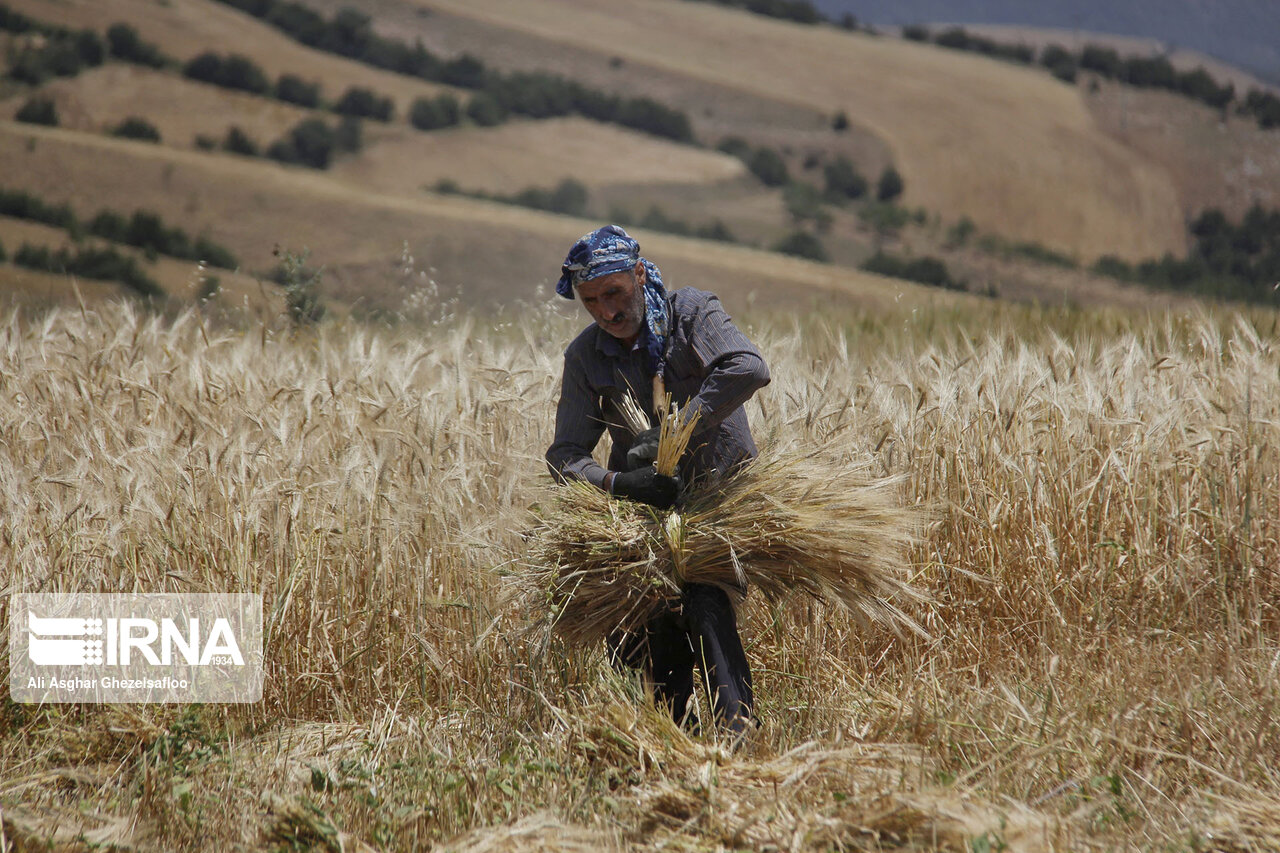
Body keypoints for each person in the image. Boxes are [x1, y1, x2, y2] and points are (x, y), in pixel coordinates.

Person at [545, 224, 770, 736]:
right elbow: (564, 455)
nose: (606, 311)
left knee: (704, 601)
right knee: (646, 616)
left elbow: (749, 368)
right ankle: (667, 739)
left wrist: (680, 426)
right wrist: (619, 485)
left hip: (719, 497)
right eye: (591, 301)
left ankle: (738, 734)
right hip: (643, 510)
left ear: (639, 274)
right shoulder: (585, 357)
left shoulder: (690, 313)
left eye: (615, 294)